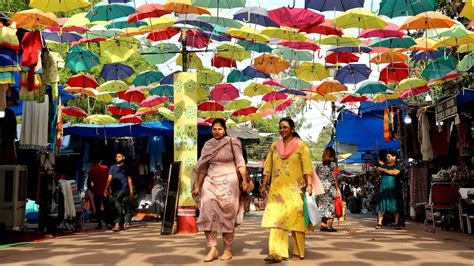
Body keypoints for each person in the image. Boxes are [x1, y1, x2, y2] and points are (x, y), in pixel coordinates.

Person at [191, 119, 252, 262]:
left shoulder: (233, 142)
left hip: (229, 182)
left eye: (219, 129)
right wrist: (198, 186)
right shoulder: (208, 145)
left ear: (225, 129)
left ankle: (227, 249)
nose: (216, 131)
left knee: (228, 214)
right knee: (206, 212)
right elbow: (203, 167)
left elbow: (240, 162)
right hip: (210, 181)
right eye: (214, 129)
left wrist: (244, 180)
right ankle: (212, 248)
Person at [259, 117, 313, 262]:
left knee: (296, 220)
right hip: (277, 188)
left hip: (295, 188)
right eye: (280, 127)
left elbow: (307, 167)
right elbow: (267, 167)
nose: (282, 130)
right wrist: (264, 185)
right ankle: (276, 252)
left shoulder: (302, 146)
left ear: (292, 129)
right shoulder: (274, 146)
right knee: (276, 220)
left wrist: (309, 184)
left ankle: (298, 252)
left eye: (285, 127)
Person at [104, 152, 134, 232]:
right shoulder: (112, 167)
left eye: (119, 156)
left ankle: (117, 224)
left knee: (118, 205)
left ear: (123, 158)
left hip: (123, 189)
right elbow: (109, 178)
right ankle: (121, 224)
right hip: (114, 190)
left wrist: (131, 191)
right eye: (116, 156)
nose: (117, 158)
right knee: (115, 206)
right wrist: (106, 188)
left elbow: (129, 179)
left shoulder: (126, 167)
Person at [375, 150, 402, 230]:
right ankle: (379, 223)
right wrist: (377, 171)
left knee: (395, 206)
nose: (387, 158)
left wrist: (383, 169)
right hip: (383, 188)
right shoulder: (384, 165)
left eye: (389, 156)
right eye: (387, 156)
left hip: (394, 189)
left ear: (394, 157)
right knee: (382, 205)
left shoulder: (398, 165)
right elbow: (377, 175)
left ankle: (396, 223)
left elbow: (394, 172)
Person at [316, 147, 340, 232]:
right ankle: (329, 226)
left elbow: (316, 177)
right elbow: (335, 178)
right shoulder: (333, 165)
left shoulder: (318, 165)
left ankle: (323, 225)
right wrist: (338, 190)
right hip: (330, 188)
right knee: (330, 207)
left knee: (322, 206)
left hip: (320, 188)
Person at [87, 158, 110, 229]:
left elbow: (88, 182)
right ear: (101, 161)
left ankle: (99, 224)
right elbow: (109, 178)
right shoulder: (106, 168)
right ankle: (107, 223)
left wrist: (91, 189)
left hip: (96, 191)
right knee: (106, 207)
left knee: (98, 208)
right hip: (105, 191)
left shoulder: (91, 170)